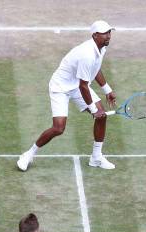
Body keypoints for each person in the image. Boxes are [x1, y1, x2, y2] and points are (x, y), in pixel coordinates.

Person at [17, 20, 117, 171]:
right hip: (60, 87)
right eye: (105, 33)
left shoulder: (101, 48)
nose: (108, 36)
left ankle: (96, 158)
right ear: (95, 35)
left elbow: (95, 69)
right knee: (58, 128)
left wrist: (107, 90)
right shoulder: (87, 54)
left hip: (77, 85)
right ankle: (28, 154)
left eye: (109, 32)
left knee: (102, 117)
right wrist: (93, 110)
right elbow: (83, 85)